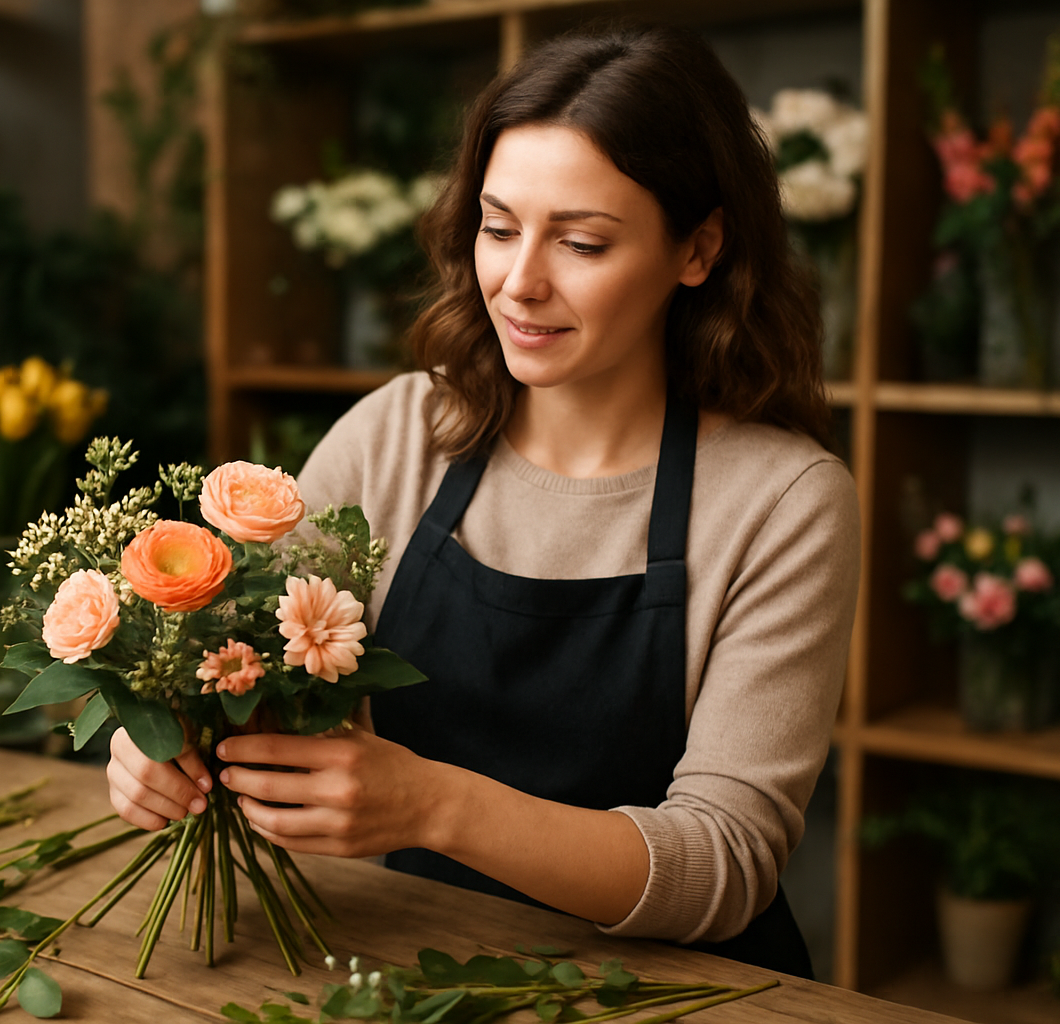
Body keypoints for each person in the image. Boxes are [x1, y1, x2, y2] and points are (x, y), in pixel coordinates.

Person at [105, 22, 859, 979]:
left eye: (581, 242)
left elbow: (725, 866)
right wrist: (162, 737)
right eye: (499, 229)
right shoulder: (399, 434)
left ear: (698, 249)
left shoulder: (783, 503)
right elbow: (233, 658)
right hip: (419, 967)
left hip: (687, 994)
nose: (519, 282)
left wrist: (431, 806)